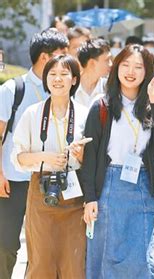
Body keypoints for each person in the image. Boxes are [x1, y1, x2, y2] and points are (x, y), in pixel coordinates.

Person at [81, 44, 154, 278]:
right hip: (109, 184)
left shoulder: (152, 106)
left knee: (141, 259)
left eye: (138, 67)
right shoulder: (102, 105)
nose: (131, 71)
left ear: (147, 71)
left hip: (142, 184)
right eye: (125, 65)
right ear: (117, 68)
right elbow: (89, 157)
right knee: (106, 257)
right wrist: (90, 198)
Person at [11, 54, 89, 278]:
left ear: (74, 79)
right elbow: (18, 158)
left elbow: (91, 162)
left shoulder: (85, 114)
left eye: (64, 74)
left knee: (74, 264)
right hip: (41, 192)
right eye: (52, 74)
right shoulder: (32, 113)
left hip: (75, 194)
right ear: (45, 79)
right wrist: (43, 157)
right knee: (41, 262)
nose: (58, 79)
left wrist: (80, 155)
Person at [0, 29, 68, 278]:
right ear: (44, 57)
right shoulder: (12, 89)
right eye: (61, 55)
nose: (66, 61)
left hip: (48, 180)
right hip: (13, 181)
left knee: (42, 249)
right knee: (5, 245)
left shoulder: (63, 88)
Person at [75, 38, 112, 108]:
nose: (111, 64)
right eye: (107, 60)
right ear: (91, 63)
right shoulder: (70, 87)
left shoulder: (109, 88)